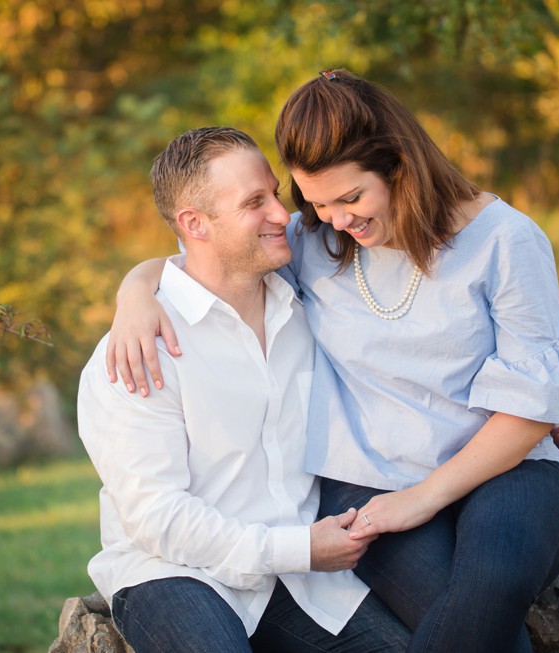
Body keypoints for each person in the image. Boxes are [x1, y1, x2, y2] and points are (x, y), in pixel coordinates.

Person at [106, 70, 559, 652]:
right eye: (315, 202)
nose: (338, 218)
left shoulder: (507, 242)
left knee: (495, 579)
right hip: (368, 479)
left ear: (397, 162)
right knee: (469, 617)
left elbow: (528, 407)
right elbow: (208, 255)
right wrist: (135, 291)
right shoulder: (316, 241)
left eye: (351, 197)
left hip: (502, 468)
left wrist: (427, 495)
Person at [77, 126, 410, 653]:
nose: (283, 214)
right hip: (175, 575)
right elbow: (156, 517)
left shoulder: (308, 300)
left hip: (305, 579)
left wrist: (519, 419)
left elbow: (415, 345)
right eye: (255, 202)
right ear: (195, 224)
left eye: (274, 193)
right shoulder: (140, 351)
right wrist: (297, 548)